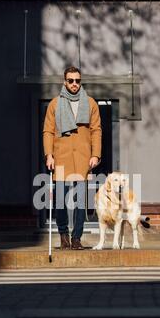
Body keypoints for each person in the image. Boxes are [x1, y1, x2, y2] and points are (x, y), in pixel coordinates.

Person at [43, 66, 102, 250]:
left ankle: (76, 238)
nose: (74, 84)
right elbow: (48, 131)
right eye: (71, 80)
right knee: (60, 200)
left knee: (80, 201)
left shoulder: (91, 103)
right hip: (61, 157)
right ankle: (63, 236)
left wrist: (95, 154)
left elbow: (96, 130)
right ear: (64, 81)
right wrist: (49, 155)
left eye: (77, 80)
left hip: (84, 158)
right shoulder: (55, 104)